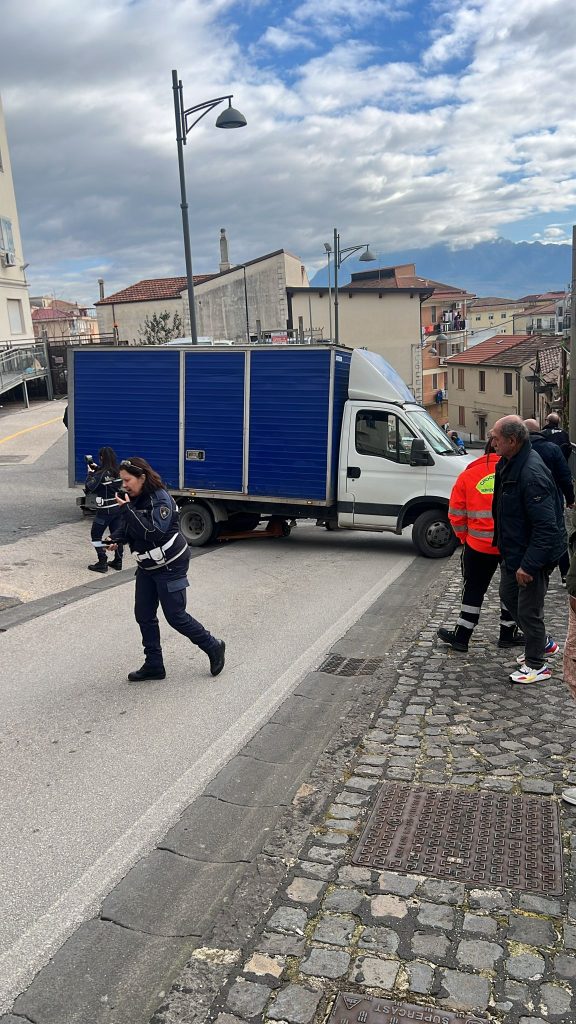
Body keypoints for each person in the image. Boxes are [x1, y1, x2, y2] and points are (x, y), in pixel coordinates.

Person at [107, 456, 225, 682]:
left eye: (127, 480)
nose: (124, 485)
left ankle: (214, 646)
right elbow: (131, 528)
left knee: (176, 616)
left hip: (171, 565)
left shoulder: (160, 500)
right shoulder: (134, 498)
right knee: (143, 614)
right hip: (147, 566)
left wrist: (128, 510)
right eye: (122, 480)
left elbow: (154, 532)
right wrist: (116, 537)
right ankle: (154, 664)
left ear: (142, 477)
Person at [492, 416, 566, 684]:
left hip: (533, 555)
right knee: (508, 595)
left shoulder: (531, 473)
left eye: (497, 437)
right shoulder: (509, 463)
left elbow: (546, 527)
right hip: (515, 551)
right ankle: (542, 643)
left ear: (512, 441)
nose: (492, 441)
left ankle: (537, 664)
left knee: (528, 611)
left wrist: (530, 565)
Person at [437, 440, 523, 653]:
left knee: (473, 589)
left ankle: (462, 637)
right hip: (509, 546)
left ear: (483, 453)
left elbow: (455, 514)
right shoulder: (518, 474)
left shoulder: (468, 475)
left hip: (477, 546)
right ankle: (507, 634)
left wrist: (464, 538)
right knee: (510, 591)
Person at [524, 418, 575, 583]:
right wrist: (570, 498)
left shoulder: (521, 449)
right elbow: (565, 476)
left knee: (529, 530)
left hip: (525, 498)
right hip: (553, 496)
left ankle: (529, 566)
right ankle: (565, 573)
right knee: (558, 532)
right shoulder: (552, 448)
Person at [85, 447, 124, 573]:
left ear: (102, 458)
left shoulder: (100, 475)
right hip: (117, 508)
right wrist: (97, 469)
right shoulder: (118, 472)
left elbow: (90, 487)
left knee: (96, 535)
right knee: (116, 535)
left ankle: (102, 562)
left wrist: (91, 473)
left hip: (105, 510)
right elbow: (107, 478)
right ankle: (118, 561)